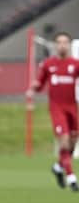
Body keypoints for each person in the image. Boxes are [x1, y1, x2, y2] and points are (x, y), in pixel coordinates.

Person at [27, 32, 79, 191]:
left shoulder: (75, 64)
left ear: (69, 45)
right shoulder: (48, 64)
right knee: (63, 141)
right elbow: (40, 83)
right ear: (55, 45)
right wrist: (32, 89)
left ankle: (58, 167)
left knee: (72, 143)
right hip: (57, 108)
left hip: (73, 108)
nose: (62, 45)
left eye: (65, 42)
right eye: (59, 42)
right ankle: (71, 178)